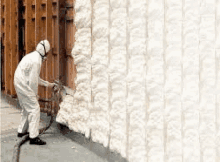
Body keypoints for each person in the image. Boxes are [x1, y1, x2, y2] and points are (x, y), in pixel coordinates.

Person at [14, 40, 56, 145]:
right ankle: (33, 137)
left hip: (19, 81)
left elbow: (35, 78)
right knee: (34, 108)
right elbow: (33, 81)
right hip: (24, 83)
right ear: (45, 52)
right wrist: (34, 95)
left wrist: (49, 84)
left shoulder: (32, 56)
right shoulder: (37, 61)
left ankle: (21, 131)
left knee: (26, 107)